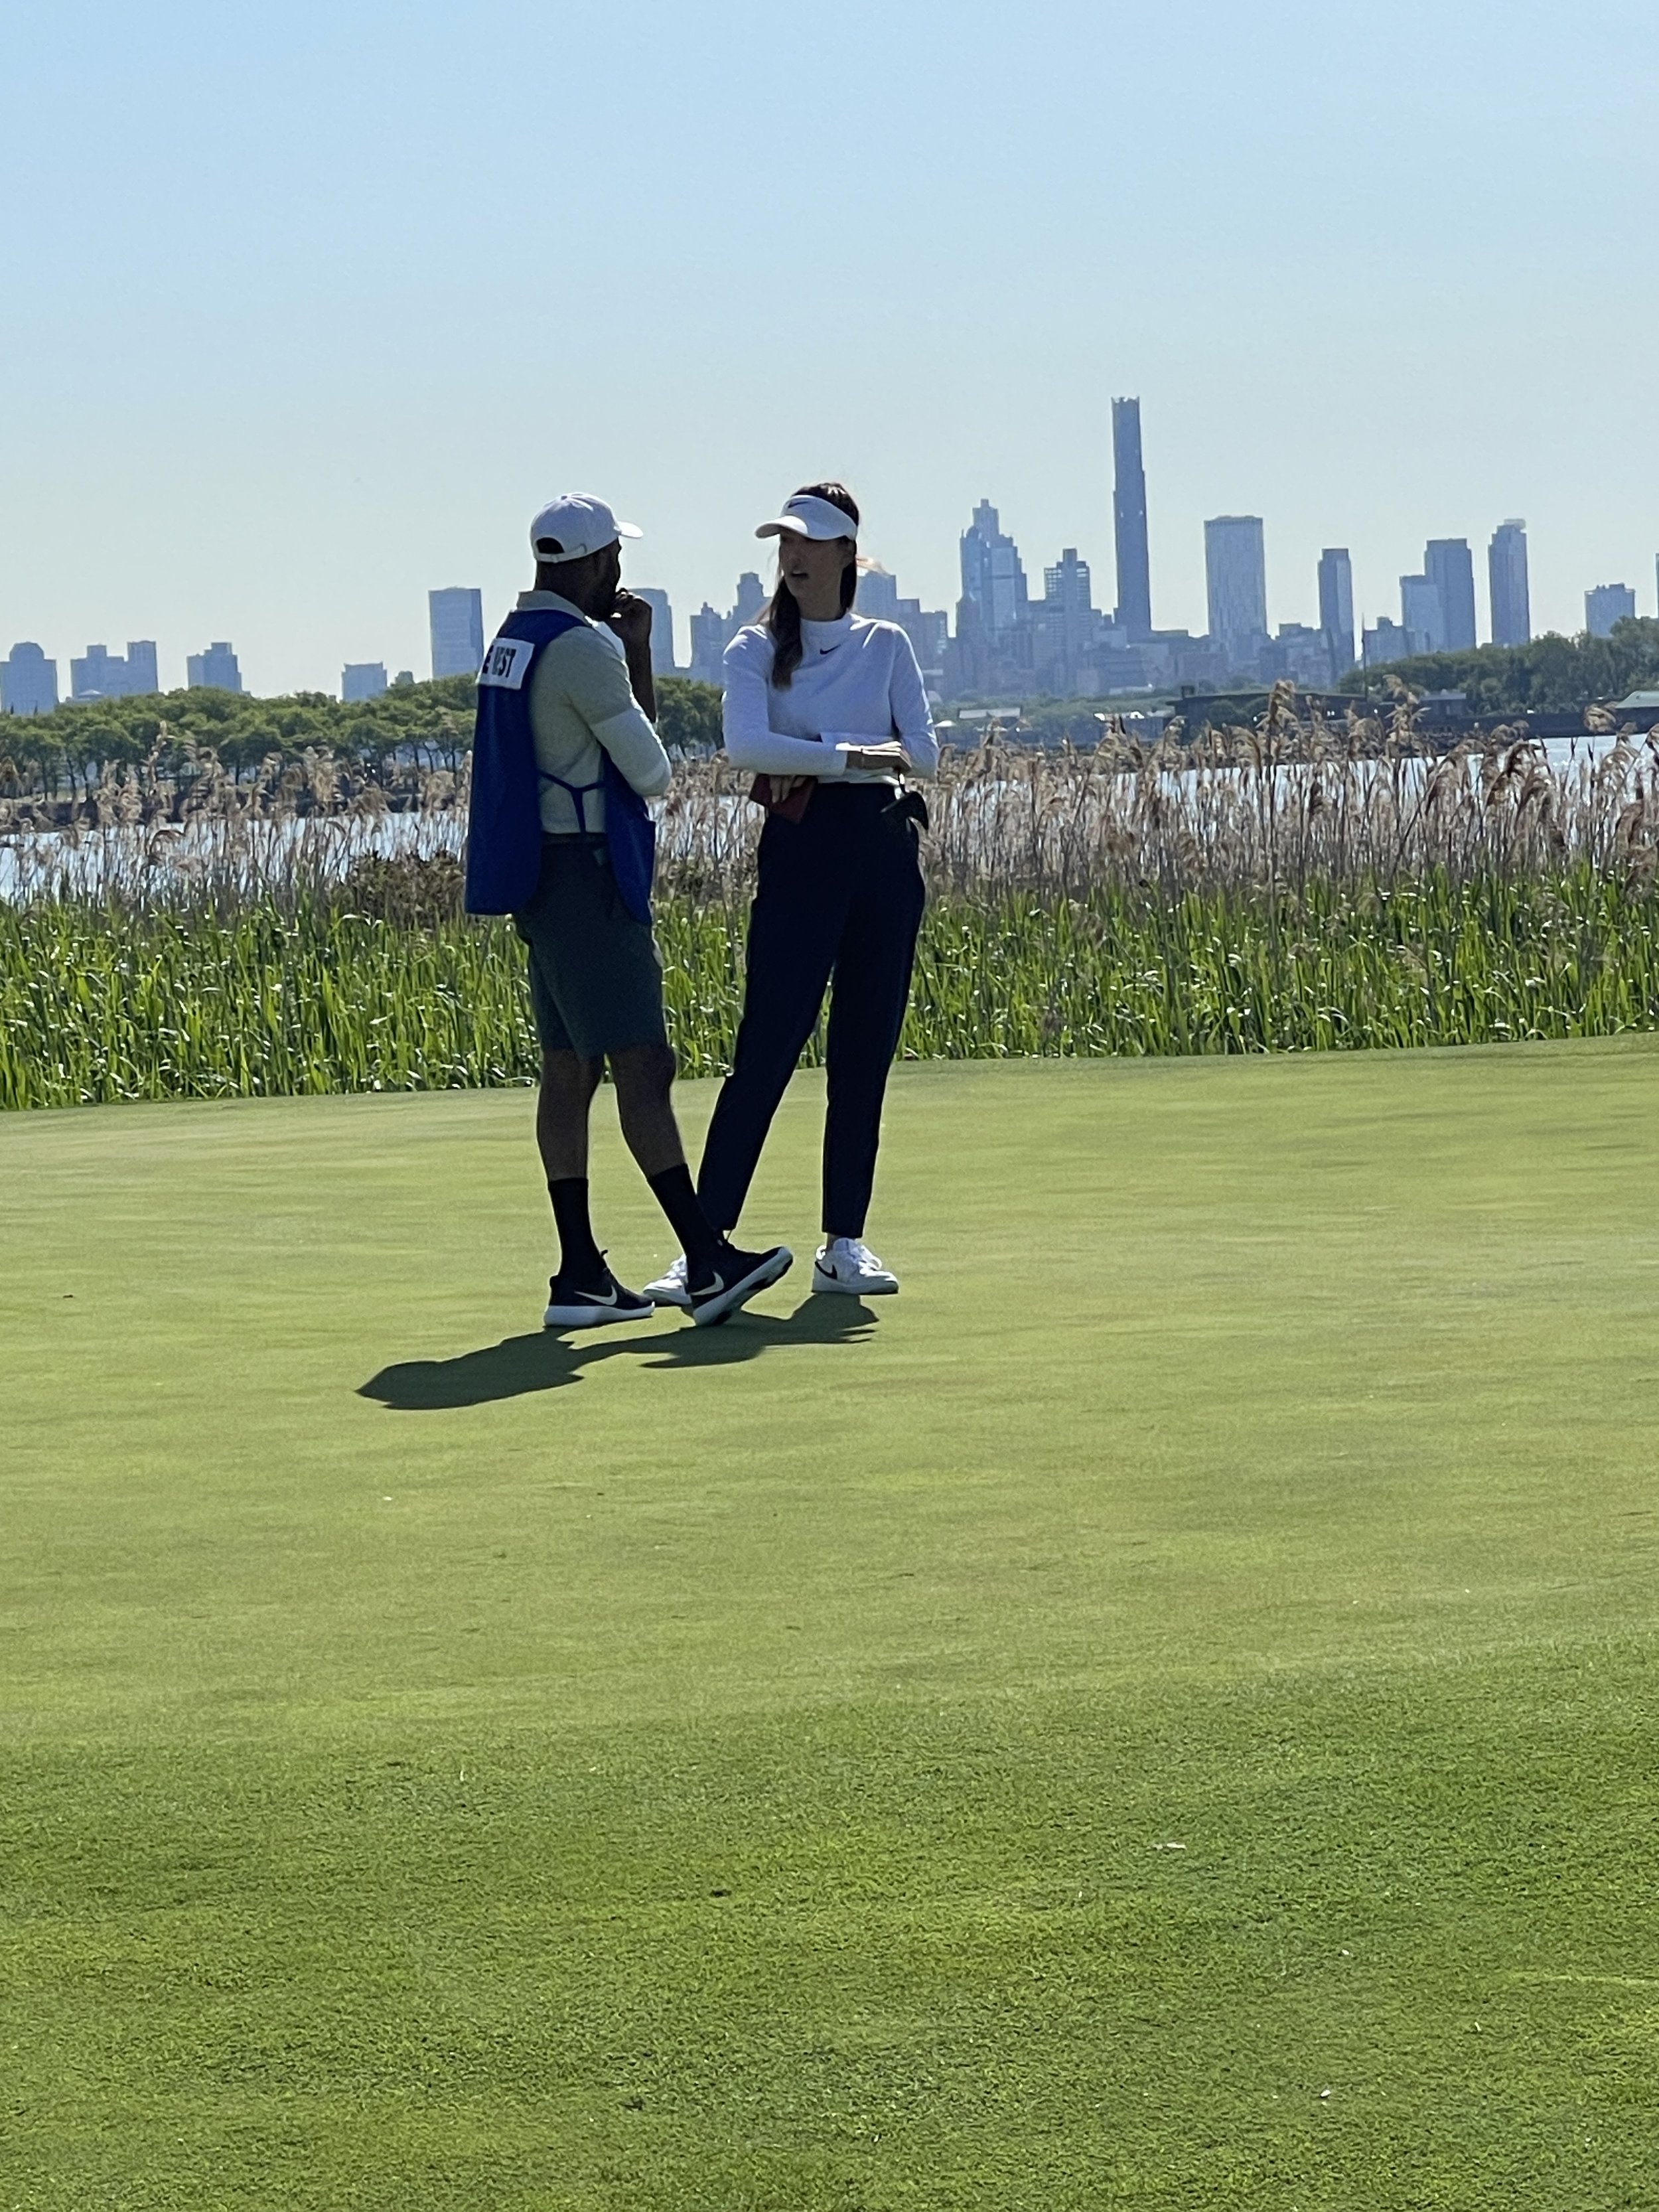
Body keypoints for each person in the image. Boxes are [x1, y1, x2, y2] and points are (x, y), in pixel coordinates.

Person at [465, 492, 790, 1330]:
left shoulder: (510, 641)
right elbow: (651, 771)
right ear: (595, 563)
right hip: (586, 874)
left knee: (569, 1069)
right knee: (643, 1066)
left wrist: (626, 647)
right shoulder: (581, 648)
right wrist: (633, 652)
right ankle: (706, 1259)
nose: (619, 568)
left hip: (537, 874)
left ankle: (581, 1273)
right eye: (614, 555)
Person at [646, 482, 937, 1310]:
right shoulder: (750, 648)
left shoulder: (887, 644)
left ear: (850, 553)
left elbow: (924, 754)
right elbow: (746, 746)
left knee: (863, 1054)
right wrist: (852, 755)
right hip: (803, 851)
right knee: (766, 1051)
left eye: (811, 541)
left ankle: (843, 1241)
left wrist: (815, 750)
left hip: (884, 855)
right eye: (786, 542)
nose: (795, 555)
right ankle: (704, 1246)